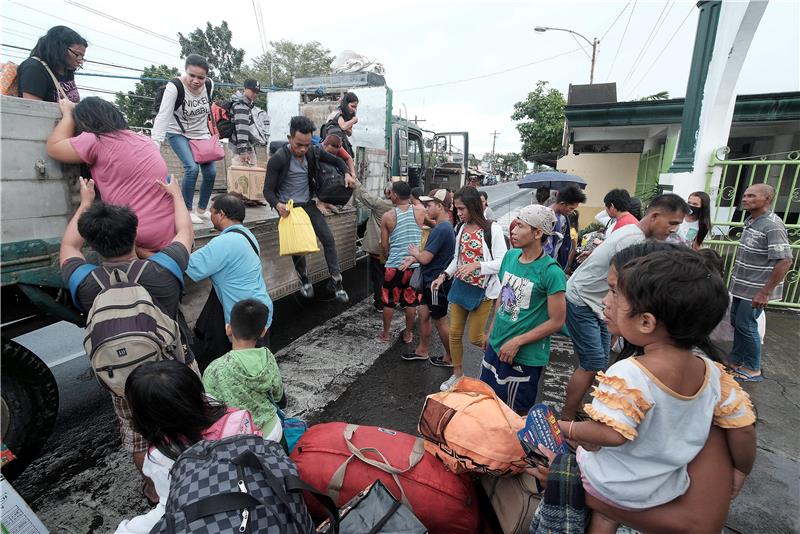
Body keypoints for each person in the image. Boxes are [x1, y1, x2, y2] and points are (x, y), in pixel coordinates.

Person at [558, 247, 756, 533]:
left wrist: (569, 428)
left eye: (614, 293)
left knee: (600, 512)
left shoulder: (630, 373)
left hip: (611, 486)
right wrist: (741, 470)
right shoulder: (714, 374)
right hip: (665, 489)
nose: (605, 301)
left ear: (646, 321)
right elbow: (744, 429)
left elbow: (611, 434)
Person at [60, 176, 194, 503]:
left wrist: (86, 203)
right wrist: (175, 193)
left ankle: (153, 486)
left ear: (92, 244)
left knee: (138, 436)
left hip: (124, 380)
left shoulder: (85, 282)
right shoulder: (163, 270)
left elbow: (68, 246)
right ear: (135, 234)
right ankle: (195, 473)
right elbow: (185, 231)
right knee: (190, 419)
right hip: (175, 367)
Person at [561, 194, 689, 421]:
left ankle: (577, 406)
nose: (674, 230)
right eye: (673, 223)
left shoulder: (631, 232)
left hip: (596, 302)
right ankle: (567, 419)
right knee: (592, 363)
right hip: (583, 300)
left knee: (598, 362)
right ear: (655, 216)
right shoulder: (633, 240)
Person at [114, 361, 263, 534]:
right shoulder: (232, 417)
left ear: (145, 418)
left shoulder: (161, 456)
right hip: (259, 492)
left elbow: (171, 506)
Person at [47, 97, 176, 255]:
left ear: (85, 123)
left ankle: (142, 253)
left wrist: (68, 115)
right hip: (172, 231)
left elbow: (53, 147)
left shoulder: (95, 140)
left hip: (136, 233)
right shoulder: (144, 139)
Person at [480, 205, 566, 414]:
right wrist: (491, 332)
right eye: (514, 225)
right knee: (487, 405)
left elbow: (557, 320)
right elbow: (503, 294)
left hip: (524, 355)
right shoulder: (510, 257)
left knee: (513, 415)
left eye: (520, 226)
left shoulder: (551, 272)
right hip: (496, 346)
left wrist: (517, 342)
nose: (514, 231)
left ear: (538, 233)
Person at [264, 115, 355, 303]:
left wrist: (347, 173)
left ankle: (337, 281)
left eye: (306, 144)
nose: (303, 149)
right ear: (289, 139)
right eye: (299, 145)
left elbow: (339, 161)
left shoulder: (313, 152)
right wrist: (277, 204)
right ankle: (304, 279)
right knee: (299, 247)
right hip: (290, 209)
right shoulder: (279, 159)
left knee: (328, 239)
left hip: (307, 204)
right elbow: (268, 191)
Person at [431, 187, 508, 391]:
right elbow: (457, 259)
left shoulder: (493, 230)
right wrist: (444, 275)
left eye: (462, 208)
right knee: (455, 334)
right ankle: (457, 375)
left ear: (473, 206)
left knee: (475, 337)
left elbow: (503, 262)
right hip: (461, 287)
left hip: (483, 292)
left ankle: (499, 357)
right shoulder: (460, 228)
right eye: (456, 209)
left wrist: (478, 266)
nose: (459, 213)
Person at [186, 194, 273, 369]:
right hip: (259, 310)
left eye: (212, 212)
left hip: (244, 319)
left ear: (221, 214)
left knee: (246, 370)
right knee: (260, 364)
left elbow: (186, 265)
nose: (210, 217)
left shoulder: (225, 242)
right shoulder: (247, 235)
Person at [728, 183, 792, 382]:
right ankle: (737, 362)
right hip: (741, 286)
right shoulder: (751, 221)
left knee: (746, 326)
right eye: (745, 195)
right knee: (736, 322)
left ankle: (753, 368)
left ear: (767, 199)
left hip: (756, 289)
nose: (745, 199)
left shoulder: (772, 225)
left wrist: (765, 292)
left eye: (752, 196)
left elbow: (785, 260)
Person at [202, 299, 284, 442]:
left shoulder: (213, 369)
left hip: (239, 440)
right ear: (263, 332)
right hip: (272, 431)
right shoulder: (267, 356)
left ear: (228, 329)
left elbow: (211, 410)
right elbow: (278, 395)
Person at [151, 54, 217, 225]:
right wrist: (155, 144)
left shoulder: (209, 85)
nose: (196, 80)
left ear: (206, 76)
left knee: (211, 171)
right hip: (177, 132)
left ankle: (202, 210)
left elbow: (205, 115)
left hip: (200, 134)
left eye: (200, 77)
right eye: (192, 75)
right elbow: (163, 115)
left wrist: (207, 136)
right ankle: (186, 210)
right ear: (185, 71)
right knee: (192, 168)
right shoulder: (174, 87)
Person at [401, 189, 456, 366]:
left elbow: (425, 257)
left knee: (440, 320)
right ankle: (422, 350)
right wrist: (415, 256)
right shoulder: (442, 226)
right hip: (430, 281)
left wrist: (415, 253)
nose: (426, 208)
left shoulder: (441, 228)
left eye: (429, 205)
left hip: (436, 284)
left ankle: (450, 357)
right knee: (423, 313)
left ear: (440, 206)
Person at [379, 181, 425, 343]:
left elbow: (384, 245)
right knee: (411, 302)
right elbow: (432, 227)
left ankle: (385, 334)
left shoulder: (387, 216)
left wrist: (386, 257)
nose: (390, 196)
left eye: (391, 193)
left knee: (389, 302)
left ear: (396, 195)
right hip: (414, 265)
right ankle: (408, 334)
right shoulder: (420, 211)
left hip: (394, 265)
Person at [353, 180, 393, 311]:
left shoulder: (381, 204)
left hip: (380, 248)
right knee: (392, 275)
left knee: (378, 276)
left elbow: (363, 195)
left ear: (388, 192)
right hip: (395, 249)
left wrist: (355, 181)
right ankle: (393, 300)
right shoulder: (404, 206)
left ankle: (380, 303)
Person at [18, 25, 86, 102]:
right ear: (60, 47)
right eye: (77, 54)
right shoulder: (34, 68)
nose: (80, 60)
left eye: (82, 56)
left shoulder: (67, 69)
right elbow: (32, 109)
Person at [545, 185, 587, 269]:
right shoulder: (545, 217)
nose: (571, 212)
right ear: (562, 204)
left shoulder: (563, 217)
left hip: (554, 263)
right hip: (544, 266)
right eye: (571, 208)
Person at [230, 78, 262, 165]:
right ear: (245, 89)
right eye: (253, 91)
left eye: (257, 92)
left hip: (243, 148)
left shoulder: (247, 105)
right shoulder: (242, 105)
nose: (255, 94)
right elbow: (242, 129)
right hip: (241, 151)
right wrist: (243, 151)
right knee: (243, 177)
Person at [322, 91, 359, 157]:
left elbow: (350, 133)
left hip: (339, 141)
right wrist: (353, 120)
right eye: (352, 106)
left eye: (355, 107)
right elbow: (343, 127)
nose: (354, 109)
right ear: (346, 104)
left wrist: (347, 125)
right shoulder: (338, 112)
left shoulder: (349, 115)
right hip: (330, 141)